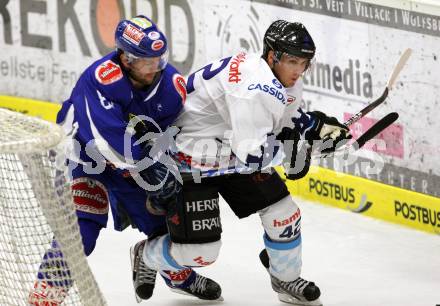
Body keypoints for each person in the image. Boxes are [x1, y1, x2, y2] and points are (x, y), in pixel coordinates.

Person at [130, 20, 351, 305]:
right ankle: (146, 255)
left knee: (284, 214)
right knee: (203, 253)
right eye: (293, 61)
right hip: (190, 161)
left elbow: (288, 121)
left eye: (304, 62)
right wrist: (302, 149)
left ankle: (284, 278)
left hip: (229, 152)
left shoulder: (279, 78)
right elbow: (254, 154)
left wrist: (316, 128)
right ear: (273, 56)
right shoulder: (253, 88)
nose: (298, 70)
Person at [28, 15, 215, 305]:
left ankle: (177, 274)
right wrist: (150, 168)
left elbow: (174, 133)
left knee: (166, 225)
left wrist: (167, 161)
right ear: (126, 59)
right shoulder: (101, 79)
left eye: (158, 58)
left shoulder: (171, 86)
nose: (155, 66)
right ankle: (45, 297)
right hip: (84, 157)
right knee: (81, 229)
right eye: (146, 60)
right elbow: (106, 142)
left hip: (134, 164)